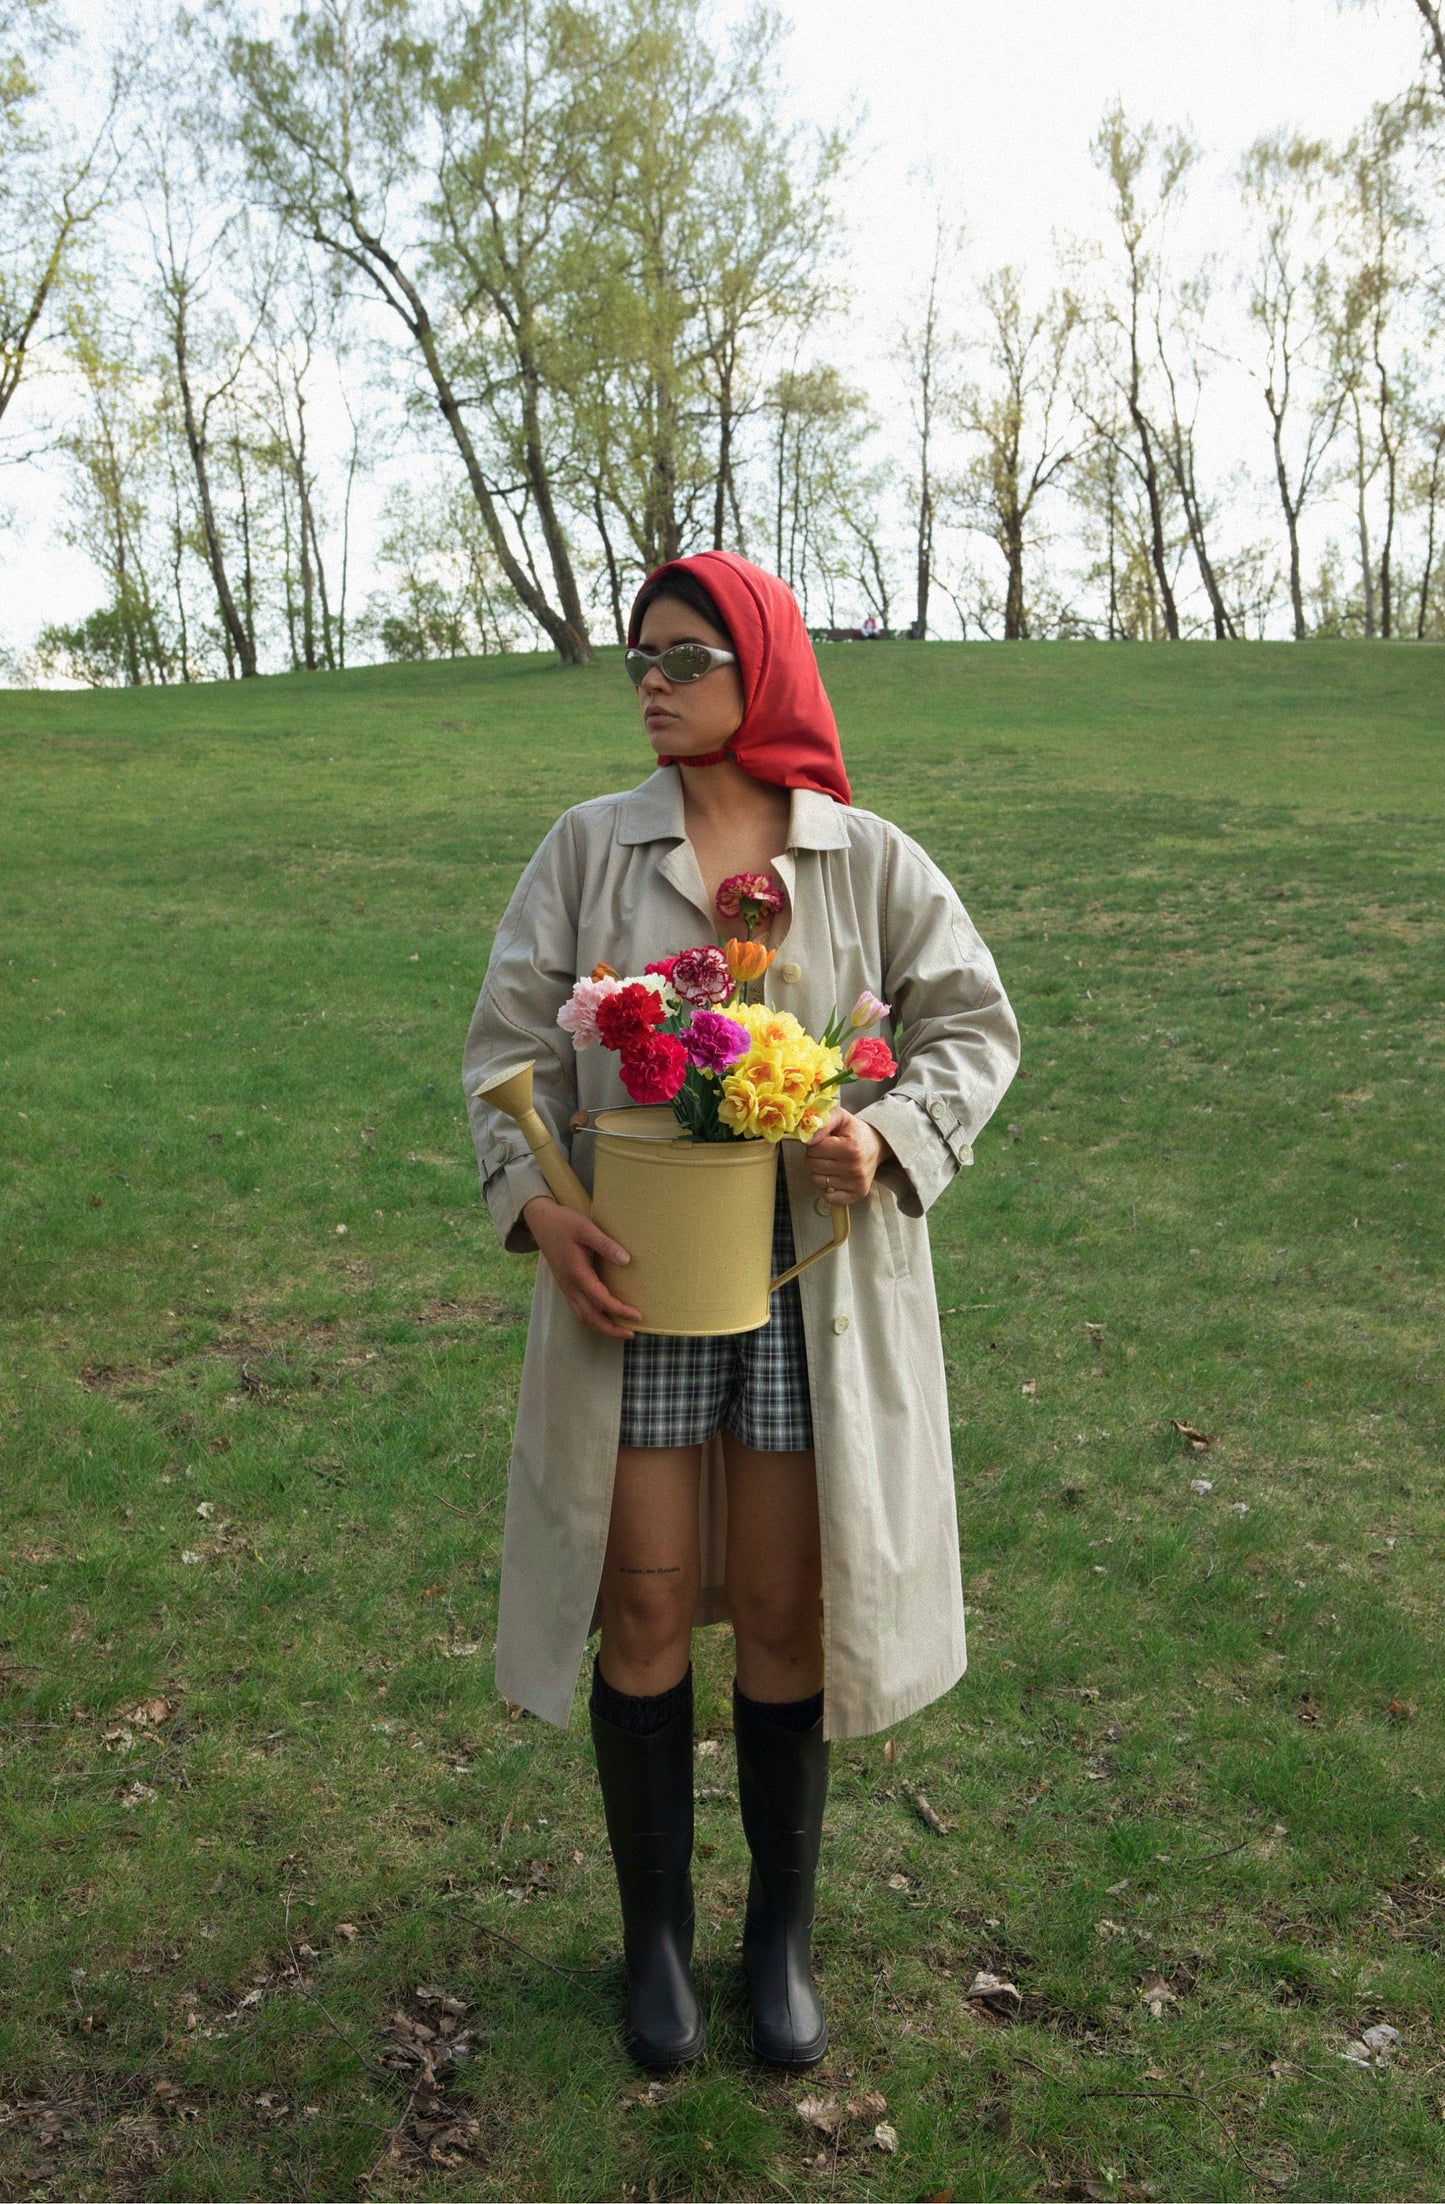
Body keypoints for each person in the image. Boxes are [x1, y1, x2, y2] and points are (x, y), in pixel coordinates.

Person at [462, 551, 1018, 2072]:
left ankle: (776, 1941)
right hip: (632, 1294)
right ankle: (654, 1946)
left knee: (785, 1608)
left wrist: (888, 1137)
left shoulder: (871, 860)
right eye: (638, 657)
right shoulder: (585, 850)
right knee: (638, 1604)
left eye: (683, 656)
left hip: (806, 1298)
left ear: (757, 665)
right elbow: (500, 1046)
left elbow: (971, 1025)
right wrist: (539, 1204)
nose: (649, 680)